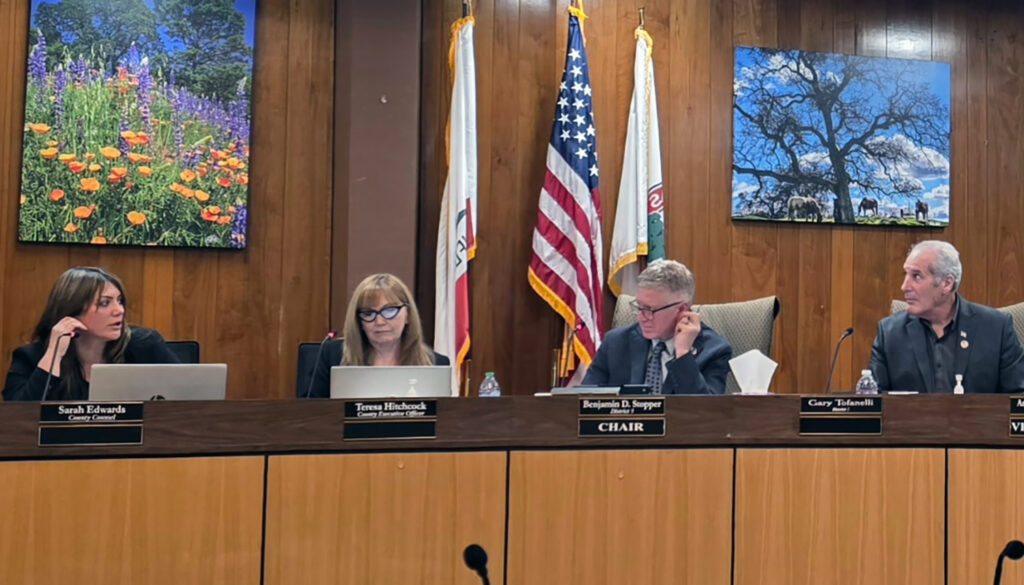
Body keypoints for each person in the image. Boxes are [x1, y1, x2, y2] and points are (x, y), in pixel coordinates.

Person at [869, 240, 1024, 393]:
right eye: (906, 275)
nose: (904, 287)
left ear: (947, 283)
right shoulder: (889, 333)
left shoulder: (996, 329)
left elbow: (1017, 401)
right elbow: (873, 402)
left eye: (916, 276)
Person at [3, 267, 179, 401]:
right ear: (72, 311)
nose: (119, 310)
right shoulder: (32, 357)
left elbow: (189, 397)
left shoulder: (144, 345)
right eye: (104, 303)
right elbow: (18, 418)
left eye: (119, 301)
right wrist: (54, 355)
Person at [583, 259, 732, 394]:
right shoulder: (615, 342)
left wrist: (683, 354)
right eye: (639, 307)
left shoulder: (714, 350)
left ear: (682, 309)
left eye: (650, 310)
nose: (641, 317)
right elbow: (583, 402)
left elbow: (707, 413)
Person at [303, 273, 450, 398]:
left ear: (408, 316)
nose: (379, 321)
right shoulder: (333, 356)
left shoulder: (436, 363)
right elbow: (311, 414)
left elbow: (445, 422)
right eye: (368, 314)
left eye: (389, 311)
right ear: (359, 321)